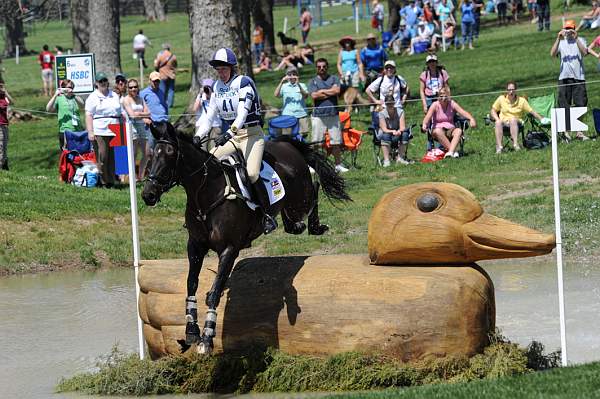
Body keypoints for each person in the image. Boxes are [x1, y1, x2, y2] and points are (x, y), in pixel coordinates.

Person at [193, 48, 277, 234]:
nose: (221, 72)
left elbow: (241, 115)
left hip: (252, 135)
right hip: (233, 136)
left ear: (231, 68)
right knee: (208, 164)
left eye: (224, 68)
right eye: (218, 69)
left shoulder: (243, 83)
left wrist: (228, 134)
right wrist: (198, 136)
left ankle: (266, 215)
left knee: (253, 173)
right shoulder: (216, 86)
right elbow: (209, 117)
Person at [550, 20, 589, 141]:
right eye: (566, 29)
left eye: (570, 29)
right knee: (563, 105)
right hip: (564, 77)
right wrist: (558, 38)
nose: (568, 32)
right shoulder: (561, 43)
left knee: (580, 104)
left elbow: (585, 52)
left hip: (578, 77)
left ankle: (579, 132)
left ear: (575, 29)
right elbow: (552, 53)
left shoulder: (581, 40)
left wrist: (576, 38)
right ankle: (566, 132)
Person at [85, 72, 125, 188]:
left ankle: (111, 181)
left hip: (116, 128)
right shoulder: (93, 97)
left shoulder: (114, 95)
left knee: (113, 157)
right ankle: (103, 181)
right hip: (100, 129)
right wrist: (90, 131)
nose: (103, 83)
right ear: (96, 83)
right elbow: (88, 115)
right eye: (100, 81)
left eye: (104, 80)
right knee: (103, 156)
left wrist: (124, 124)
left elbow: (121, 111)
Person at [308, 58, 347, 173]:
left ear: (327, 67)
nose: (322, 69)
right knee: (316, 142)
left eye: (324, 66)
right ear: (316, 68)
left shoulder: (334, 78)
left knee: (336, 141)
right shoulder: (312, 81)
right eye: (319, 67)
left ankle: (338, 165)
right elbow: (314, 96)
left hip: (333, 114)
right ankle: (315, 165)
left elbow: (336, 91)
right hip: (318, 116)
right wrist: (329, 91)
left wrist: (322, 92)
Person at [491, 81, 546, 153]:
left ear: (516, 90)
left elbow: (531, 111)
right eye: (509, 90)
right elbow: (493, 110)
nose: (511, 92)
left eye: (513, 89)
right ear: (506, 90)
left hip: (517, 123)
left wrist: (542, 119)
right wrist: (497, 119)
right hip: (503, 123)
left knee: (512, 119)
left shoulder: (522, 100)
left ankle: (515, 145)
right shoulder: (501, 98)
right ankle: (499, 147)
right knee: (498, 122)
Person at [421, 86, 476, 158]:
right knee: (437, 131)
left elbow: (462, 112)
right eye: (441, 96)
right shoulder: (435, 105)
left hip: (450, 128)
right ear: (438, 96)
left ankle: (450, 152)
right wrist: (424, 124)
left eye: (445, 96)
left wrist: (471, 119)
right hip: (438, 130)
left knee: (458, 131)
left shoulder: (452, 103)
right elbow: (427, 117)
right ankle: (453, 151)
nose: (443, 98)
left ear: (448, 96)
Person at [122, 78, 152, 180]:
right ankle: (132, 177)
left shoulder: (140, 99)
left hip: (141, 127)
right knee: (133, 154)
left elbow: (149, 112)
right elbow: (132, 115)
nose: (133, 89)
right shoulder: (126, 100)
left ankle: (141, 176)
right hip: (131, 128)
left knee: (147, 153)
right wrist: (142, 115)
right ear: (127, 89)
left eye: (135, 86)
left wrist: (139, 113)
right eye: (131, 87)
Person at [45, 78, 85, 150]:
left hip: (78, 130)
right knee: (68, 154)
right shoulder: (59, 98)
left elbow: (82, 105)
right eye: (68, 87)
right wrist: (55, 95)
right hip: (65, 131)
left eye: (71, 88)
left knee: (79, 154)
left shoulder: (74, 97)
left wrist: (73, 94)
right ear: (63, 88)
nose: (70, 89)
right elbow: (48, 109)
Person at [274, 66, 310, 138]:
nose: (292, 77)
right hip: (288, 115)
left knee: (304, 135)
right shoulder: (284, 86)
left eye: (294, 74)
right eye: (289, 75)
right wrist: (281, 82)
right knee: (288, 136)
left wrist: (298, 84)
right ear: (286, 76)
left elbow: (306, 96)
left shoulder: (302, 85)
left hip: (301, 114)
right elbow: (276, 95)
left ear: (297, 76)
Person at [378, 94, 413, 166]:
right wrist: (392, 131)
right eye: (388, 103)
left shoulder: (400, 111)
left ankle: (400, 158)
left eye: (391, 103)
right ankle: (386, 160)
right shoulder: (381, 113)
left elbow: (402, 127)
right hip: (386, 132)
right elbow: (384, 129)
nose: (390, 105)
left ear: (394, 103)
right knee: (385, 135)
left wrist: (399, 131)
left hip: (397, 131)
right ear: (385, 104)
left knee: (405, 134)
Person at [337, 36, 367, 113]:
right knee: (346, 90)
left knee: (355, 89)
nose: (347, 43)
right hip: (345, 73)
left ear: (351, 43)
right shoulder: (341, 52)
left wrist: (361, 74)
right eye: (345, 42)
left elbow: (359, 63)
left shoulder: (355, 51)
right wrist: (341, 73)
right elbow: (339, 64)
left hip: (355, 72)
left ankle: (357, 107)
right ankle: (348, 106)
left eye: (348, 42)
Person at [192, 78, 222, 152]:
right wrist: (200, 95)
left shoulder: (216, 96)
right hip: (202, 124)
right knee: (201, 149)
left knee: (215, 149)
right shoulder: (201, 96)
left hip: (215, 125)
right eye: (205, 88)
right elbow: (194, 109)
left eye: (209, 88)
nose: (207, 90)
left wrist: (212, 96)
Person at [153, 43, 177, 108]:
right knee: (171, 90)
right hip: (171, 75)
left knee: (162, 90)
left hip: (163, 75)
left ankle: (162, 103)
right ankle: (170, 104)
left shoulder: (161, 56)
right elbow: (175, 65)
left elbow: (156, 65)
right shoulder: (173, 56)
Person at [0, 80, 9, 171]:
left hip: (5, 125)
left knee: (5, 147)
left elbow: (11, 102)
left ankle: (4, 167)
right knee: (1, 147)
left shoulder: (3, 96)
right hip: (0, 126)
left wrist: (6, 93)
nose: (2, 88)